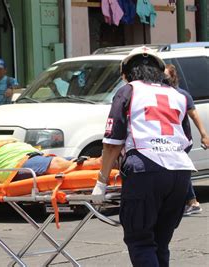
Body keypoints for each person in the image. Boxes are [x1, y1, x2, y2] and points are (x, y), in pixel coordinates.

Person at [92, 47, 195, 267]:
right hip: (180, 173)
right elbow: (187, 139)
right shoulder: (178, 95)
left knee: (140, 242)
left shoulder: (128, 91)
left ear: (126, 74)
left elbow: (112, 143)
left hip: (145, 170)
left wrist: (101, 183)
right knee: (160, 242)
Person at [0, 108, 102, 183]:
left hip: (30, 158)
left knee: (72, 159)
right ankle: (103, 163)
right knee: (59, 164)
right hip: (14, 166)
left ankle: (106, 164)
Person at [165, 64, 208, 216]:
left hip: (182, 140)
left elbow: (194, 115)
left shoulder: (181, 95)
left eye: (167, 76)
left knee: (180, 168)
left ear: (173, 77)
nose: (164, 79)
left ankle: (192, 202)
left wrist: (204, 135)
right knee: (173, 169)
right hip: (166, 140)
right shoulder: (158, 95)